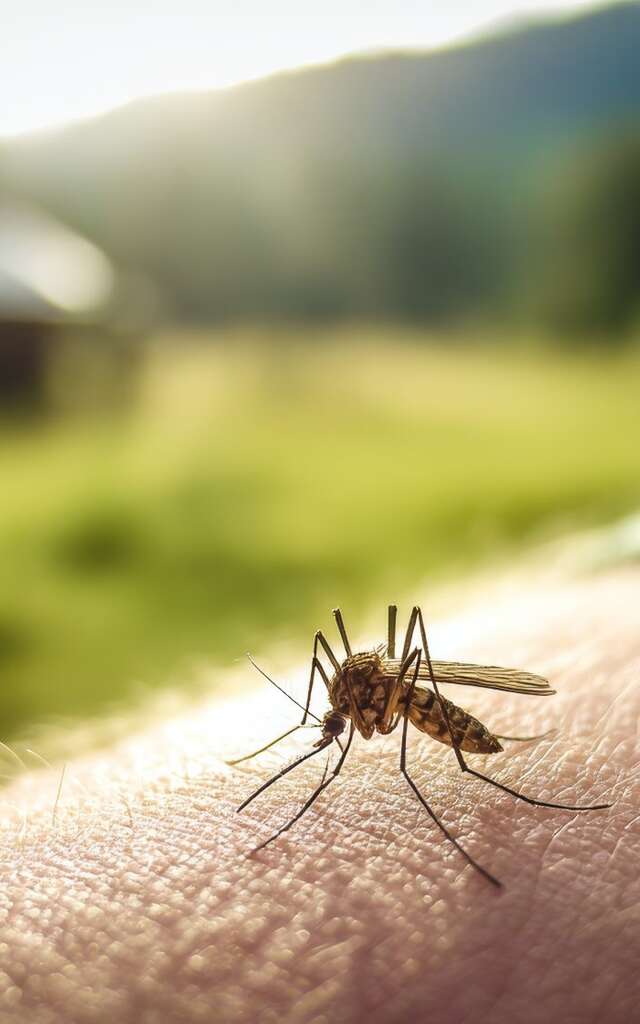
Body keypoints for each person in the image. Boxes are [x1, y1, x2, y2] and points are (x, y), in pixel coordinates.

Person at [0, 569, 636, 1024]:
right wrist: (321, 719)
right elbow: (337, 684)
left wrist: (390, 704)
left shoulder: (375, 700)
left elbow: (389, 689)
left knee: (405, 688)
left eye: (332, 725)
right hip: (382, 693)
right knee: (333, 644)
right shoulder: (344, 702)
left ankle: (469, 771)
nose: (336, 732)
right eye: (333, 723)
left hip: (421, 705)